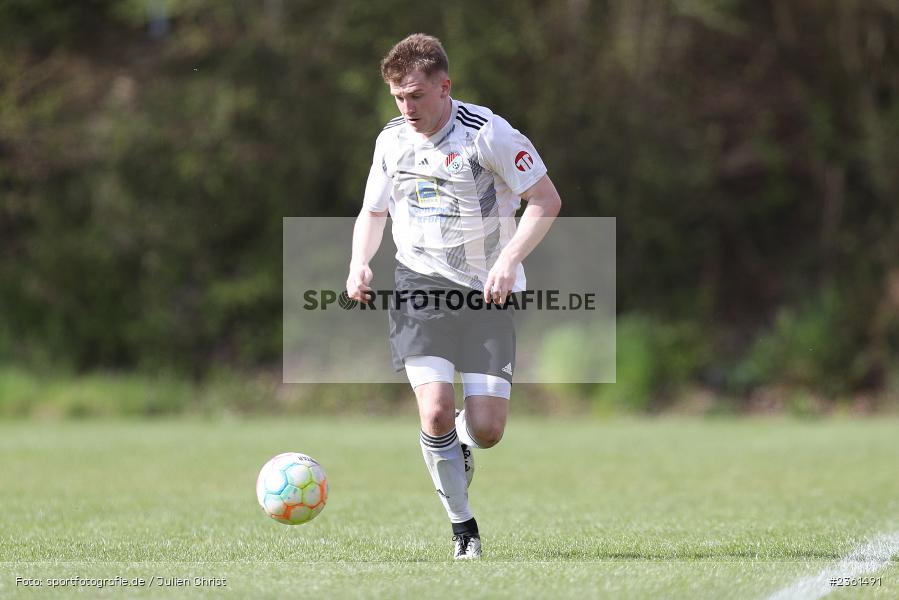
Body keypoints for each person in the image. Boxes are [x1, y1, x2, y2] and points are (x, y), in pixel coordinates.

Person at [345, 33, 561, 560]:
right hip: (419, 285)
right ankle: (464, 529)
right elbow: (375, 210)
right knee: (436, 412)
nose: (407, 108)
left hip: (486, 292)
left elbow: (546, 199)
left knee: (486, 430)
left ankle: (461, 441)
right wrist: (359, 262)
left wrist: (509, 260)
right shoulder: (391, 140)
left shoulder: (489, 135)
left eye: (416, 95)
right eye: (398, 97)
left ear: (445, 86)